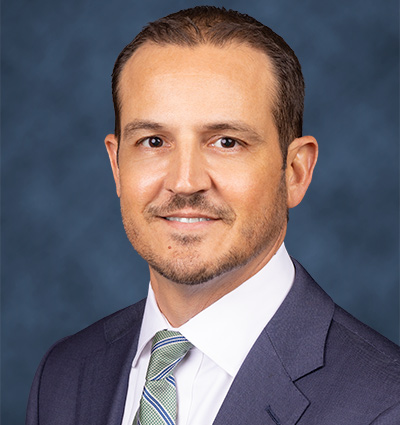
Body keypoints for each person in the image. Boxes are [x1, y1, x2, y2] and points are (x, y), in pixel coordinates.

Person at [26, 6, 400, 425]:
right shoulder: (63, 375)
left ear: (295, 172)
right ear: (116, 166)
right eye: (153, 141)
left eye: (226, 142)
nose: (185, 182)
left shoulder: (385, 403)